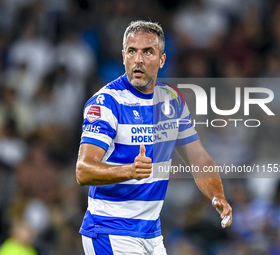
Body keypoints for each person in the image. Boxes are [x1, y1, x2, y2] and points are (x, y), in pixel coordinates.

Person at [76, 20, 233, 255]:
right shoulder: (106, 103)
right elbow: (83, 170)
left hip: (151, 234)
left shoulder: (172, 100)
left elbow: (199, 159)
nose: (138, 59)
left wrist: (217, 195)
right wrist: (128, 171)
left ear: (162, 60)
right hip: (111, 231)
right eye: (132, 51)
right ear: (123, 56)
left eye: (147, 52)